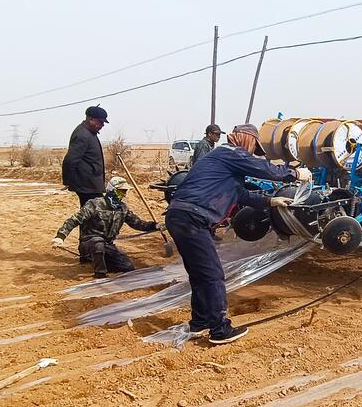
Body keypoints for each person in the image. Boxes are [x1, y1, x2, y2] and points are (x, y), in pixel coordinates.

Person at [165, 123, 312, 345]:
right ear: (245, 138)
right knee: (213, 274)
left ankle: (200, 321)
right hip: (193, 218)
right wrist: (294, 173)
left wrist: (270, 201)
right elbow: (266, 170)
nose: (252, 152)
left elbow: (240, 194)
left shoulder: (222, 161)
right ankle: (219, 330)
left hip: (180, 215)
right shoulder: (231, 153)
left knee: (200, 273)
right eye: (253, 147)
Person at [52, 176, 162, 278]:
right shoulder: (95, 204)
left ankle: (101, 260)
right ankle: (100, 274)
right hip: (88, 243)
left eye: (125, 191)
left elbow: (137, 223)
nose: (124, 194)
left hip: (107, 245)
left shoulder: (122, 208)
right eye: (121, 191)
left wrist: (155, 226)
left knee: (127, 267)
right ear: (112, 190)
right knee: (98, 243)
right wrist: (60, 237)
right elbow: (74, 220)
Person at [62, 105, 108, 206]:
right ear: (91, 119)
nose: (102, 125)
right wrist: (67, 181)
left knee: (92, 214)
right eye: (100, 122)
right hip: (87, 185)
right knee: (94, 213)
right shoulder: (82, 134)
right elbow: (70, 160)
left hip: (91, 183)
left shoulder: (90, 133)